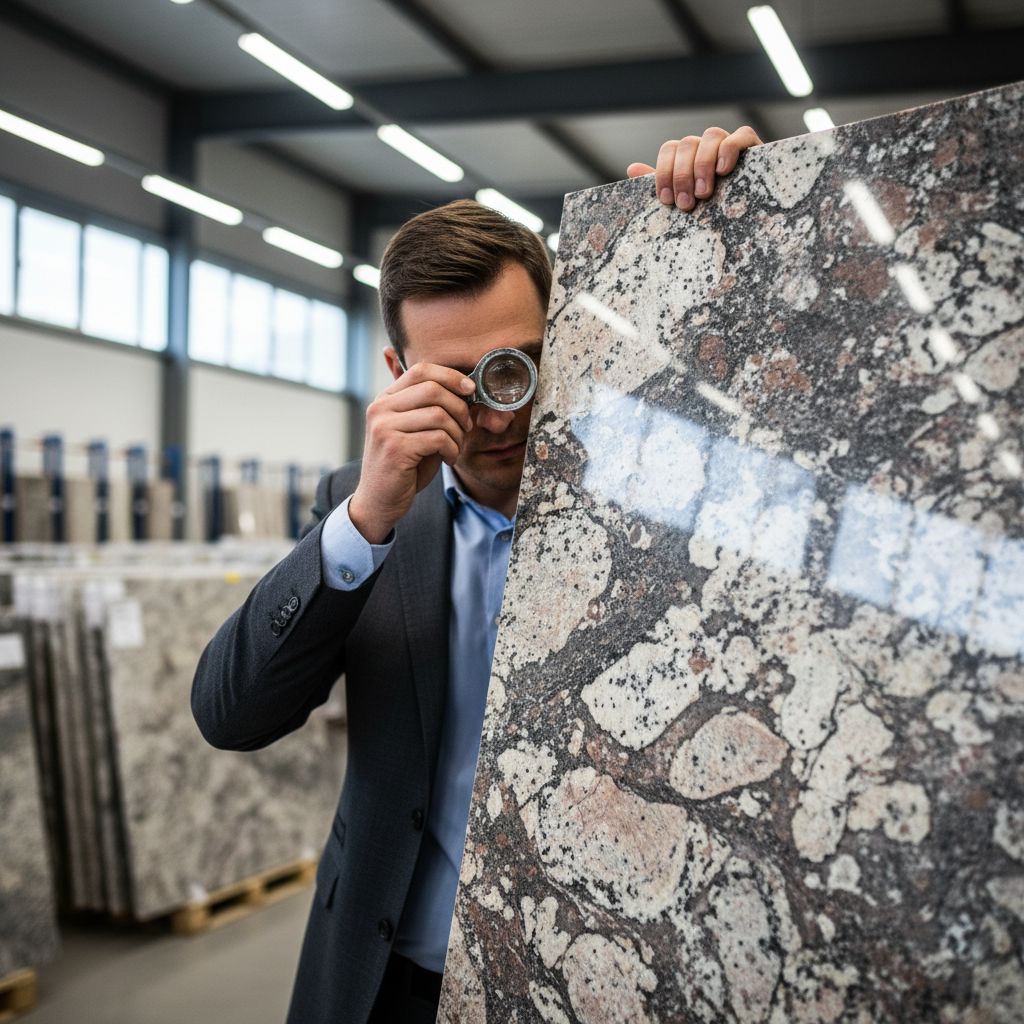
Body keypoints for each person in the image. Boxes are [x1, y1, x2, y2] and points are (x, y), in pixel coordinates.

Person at [191, 126, 763, 1024]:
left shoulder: (655, 510)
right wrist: (366, 519)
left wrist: (732, 220)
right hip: (391, 981)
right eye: (457, 382)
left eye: (521, 365)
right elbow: (230, 714)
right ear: (397, 374)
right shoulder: (366, 508)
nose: (499, 412)